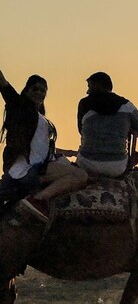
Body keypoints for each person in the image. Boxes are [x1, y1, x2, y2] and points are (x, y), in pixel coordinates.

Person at [0, 68, 88, 218]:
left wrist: (69, 153)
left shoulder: (40, 118)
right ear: (27, 91)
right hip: (29, 169)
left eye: (43, 90)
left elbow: (41, 147)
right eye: (36, 89)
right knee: (81, 176)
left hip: (38, 166)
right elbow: (3, 84)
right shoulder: (20, 107)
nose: (39, 93)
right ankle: (38, 200)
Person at [76, 72, 138, 177]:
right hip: (117, 166)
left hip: (87, 163)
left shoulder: (84, 104)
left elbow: (81, 131)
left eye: (90, 87)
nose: (87, 91)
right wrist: (125, 128)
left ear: (98, 86)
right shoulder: (127, 106)